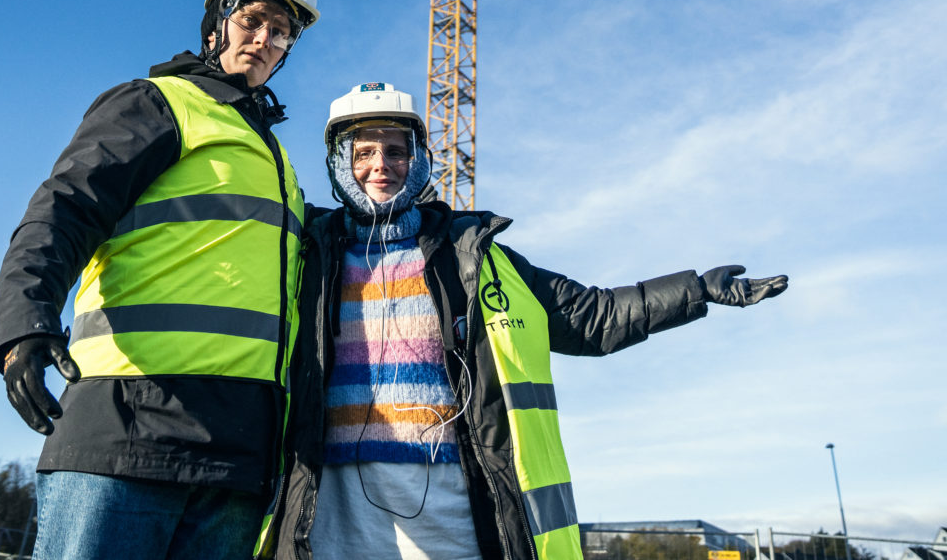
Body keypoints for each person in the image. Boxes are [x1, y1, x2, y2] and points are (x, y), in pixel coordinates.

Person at [264, 82, 789, 560]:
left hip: (454, 523)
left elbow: (591, 316)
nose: (380, 164)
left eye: (396, 151)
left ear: (418, 161)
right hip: (332, 523)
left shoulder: (474, 257)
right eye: (364, 153)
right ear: (339, 163)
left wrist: (695, 290)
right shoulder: (304, 254)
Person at [0, 0, 319, 560]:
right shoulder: (159, 102)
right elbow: (66, 207)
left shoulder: (279, 166)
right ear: (218, 20)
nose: (265, 40)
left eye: (281, 33)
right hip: (127, 429)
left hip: (238, 456)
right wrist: (23, 324)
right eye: (253, 20)